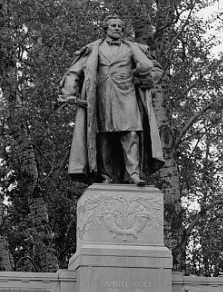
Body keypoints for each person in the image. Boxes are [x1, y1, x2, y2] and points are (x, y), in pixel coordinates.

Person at [57, 15, 166, 185]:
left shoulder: (134, 48)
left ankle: (134, 175)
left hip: (127, 97)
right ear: (105, 28)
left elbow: (155, 70)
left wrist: (143, 79)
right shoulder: (94, 49)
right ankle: (106, 177)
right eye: (113, 26)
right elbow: (74, 72)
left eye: (120, 27)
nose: (117, 29)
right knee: (104, 138)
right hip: (101, 99)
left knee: (131, 134)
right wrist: (70, 91)